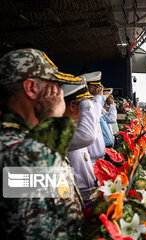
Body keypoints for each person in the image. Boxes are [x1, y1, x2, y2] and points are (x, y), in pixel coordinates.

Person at [0, 48, 83, 239]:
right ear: (31, 88)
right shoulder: (8, 145)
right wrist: (54, 118)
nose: (61, 92)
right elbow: (29, 181)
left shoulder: (37, 139)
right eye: (54, 84)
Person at [62, 82, 97, 200]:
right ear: (72, 106)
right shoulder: (61, 129)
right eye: (84, 104)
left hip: (85, 192)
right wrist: (87, 104)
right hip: (75, 195)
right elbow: (88, 136)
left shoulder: (73, 126)